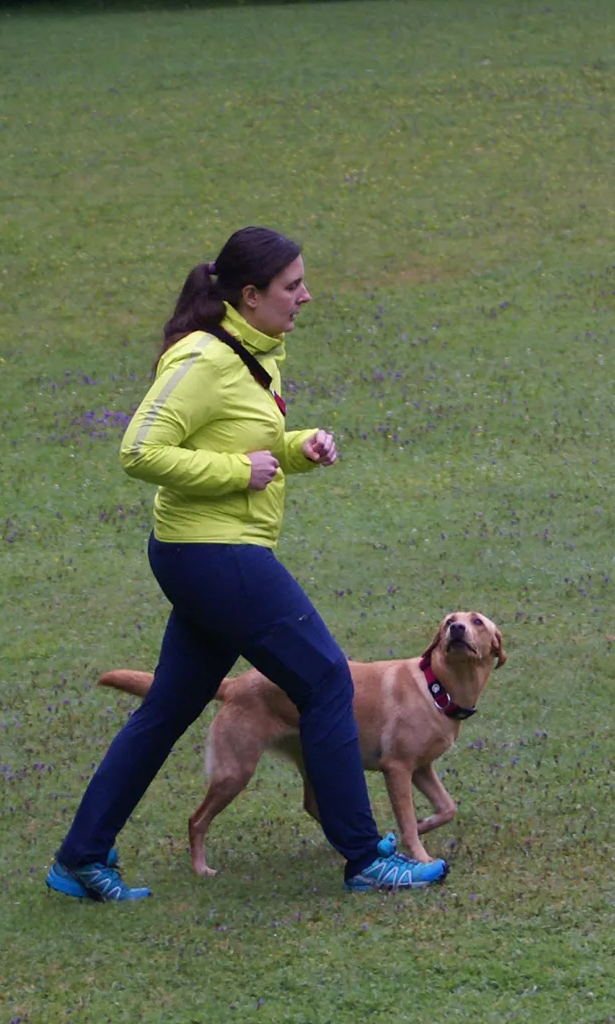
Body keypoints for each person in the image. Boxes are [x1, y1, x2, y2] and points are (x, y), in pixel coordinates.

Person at [47, 226, 448, 900]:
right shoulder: (203, 359)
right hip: (212, 553)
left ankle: (80, 858)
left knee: (169, 706)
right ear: (249, 294)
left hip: (215, 549)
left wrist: (294, 449)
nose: (306, 296)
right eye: (293, 286)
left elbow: (243, 443)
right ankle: (364, 857)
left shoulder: (251, 353)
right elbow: (138, 449)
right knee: (325, 679)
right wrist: (240, 469)